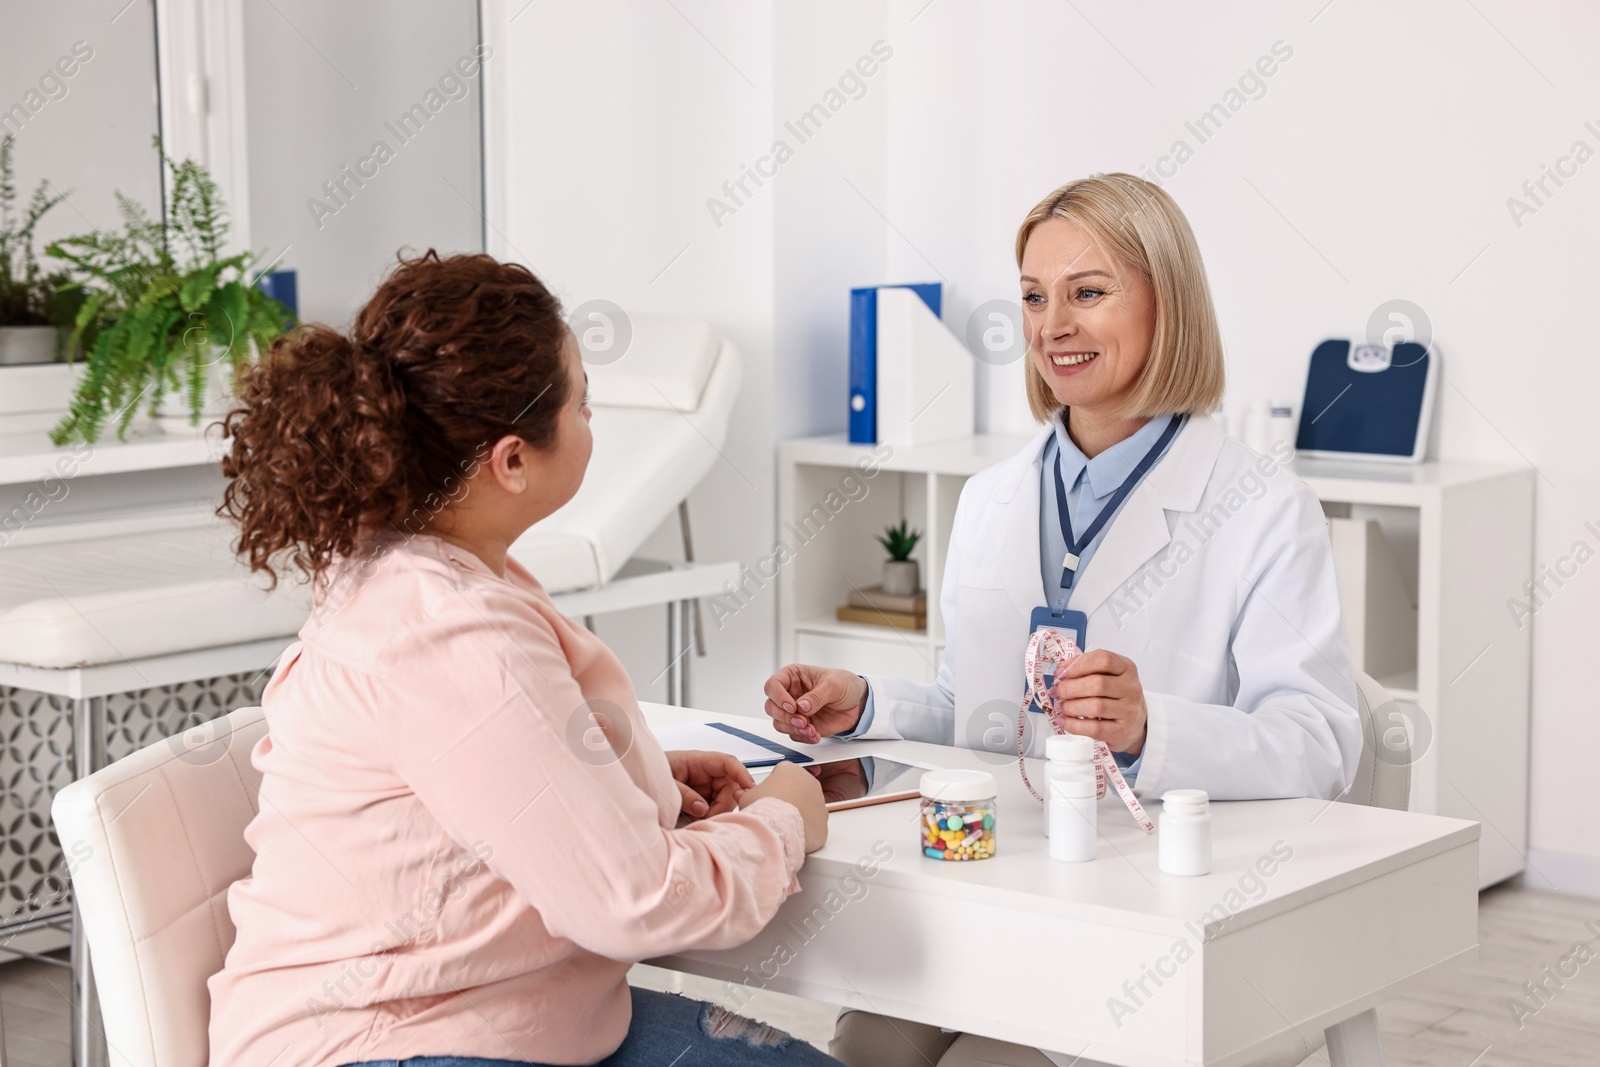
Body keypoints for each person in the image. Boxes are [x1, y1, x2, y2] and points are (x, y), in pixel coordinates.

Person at [761, 174, 1363, 1067]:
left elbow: (1319, 743)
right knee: (865, 1050)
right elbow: (979, 714)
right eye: (1035, 298)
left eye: (1088, 292)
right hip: (997, 891)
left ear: (1171, 303)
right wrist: (865, 704)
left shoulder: (1263, 506)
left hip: (1149, 920)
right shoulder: (991, 499)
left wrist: (1151, 725)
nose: (1053, 326)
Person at [207, 251, 843, 1067]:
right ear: (511, 460)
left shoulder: (416, 569)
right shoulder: (450, 630)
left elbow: (476, 777)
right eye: (584, 403)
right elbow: (634, 903)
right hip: (385, 1042)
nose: (591, 421)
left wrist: (620, 772)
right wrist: (785, 816)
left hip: (467, 1011)